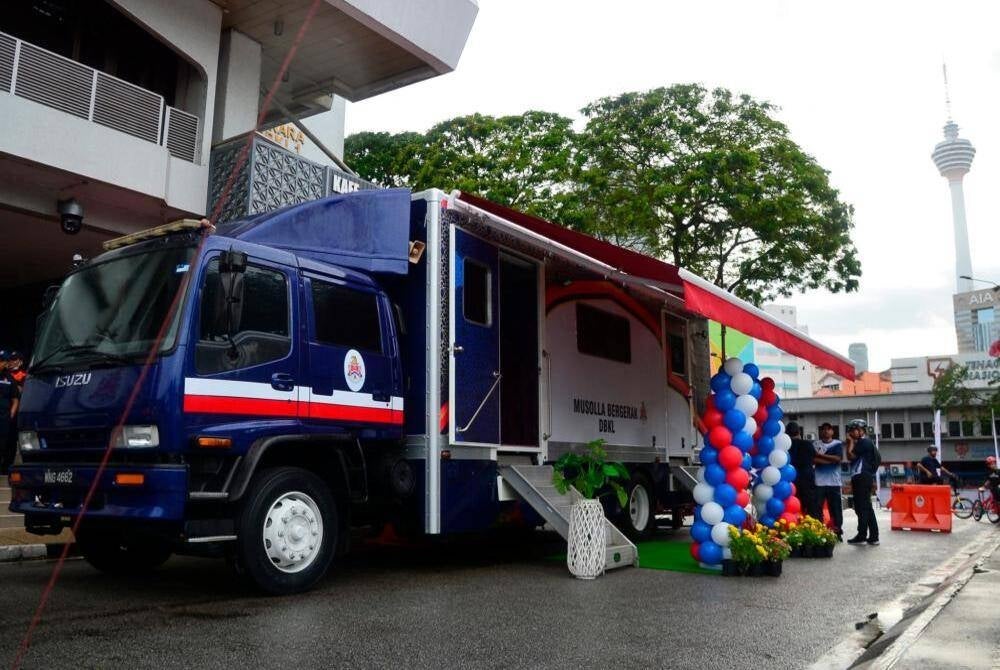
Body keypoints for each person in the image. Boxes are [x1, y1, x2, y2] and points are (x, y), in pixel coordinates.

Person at [845, 418, 880, 546]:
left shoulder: (863, 442)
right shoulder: (864, 442)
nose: (851, 433)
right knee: (866, 507)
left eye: (853, 430)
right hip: (863, 477)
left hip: (862, 477)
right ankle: (874, 536)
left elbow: (850, 456)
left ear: (861, 431)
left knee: (862, 507)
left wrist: (849, 443)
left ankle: (862, 535)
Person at [813, 422, 844, 540]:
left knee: (835, 508)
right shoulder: (815, 444)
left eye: (828, 429)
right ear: (820, 432)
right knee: (817, 508)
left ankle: (837, 531)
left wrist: (821, 457)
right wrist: (830, 460)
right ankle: (819, 531)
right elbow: (814, 459)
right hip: (819, 482)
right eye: (823, 429)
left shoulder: (837, 444)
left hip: (834, 482)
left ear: (832, 431)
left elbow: (838, 458)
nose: (826, 431)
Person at [787, 421, 821, 519]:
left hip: (791, 479)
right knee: (811, 505)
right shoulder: (807, 444)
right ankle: (813, 526)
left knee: (795, 504)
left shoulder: (786, 446)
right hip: (807, 477)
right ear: (799, 432)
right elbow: (814, 458)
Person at [0, 352, 20, 475]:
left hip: (4, 418)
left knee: (6, 444)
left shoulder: (10, 379)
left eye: (2, 361)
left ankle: (4, 469)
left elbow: (15, 399)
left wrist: (11, 414)